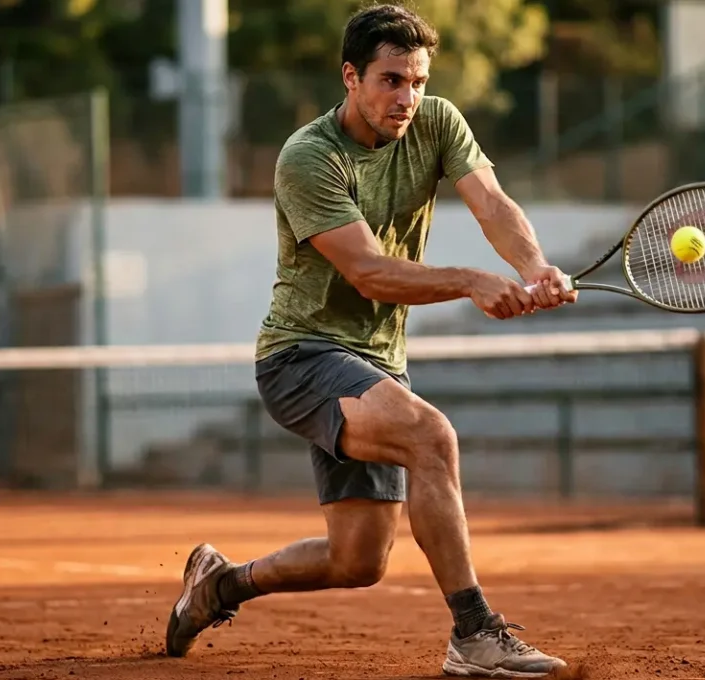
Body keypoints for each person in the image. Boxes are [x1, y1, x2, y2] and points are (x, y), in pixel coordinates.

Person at [166, 4, 576, 677]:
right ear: (351, 77)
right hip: (300, 356)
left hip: (375, 363)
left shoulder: (438, 121)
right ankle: (474, 635)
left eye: (416, 81)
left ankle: (218, 584)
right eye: (391, 80)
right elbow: (368, 272)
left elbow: (493, 204)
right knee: (431, 437)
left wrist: (534, 269)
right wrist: (474, 281)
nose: (407, 97)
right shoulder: (309, 157)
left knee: (357, 561)